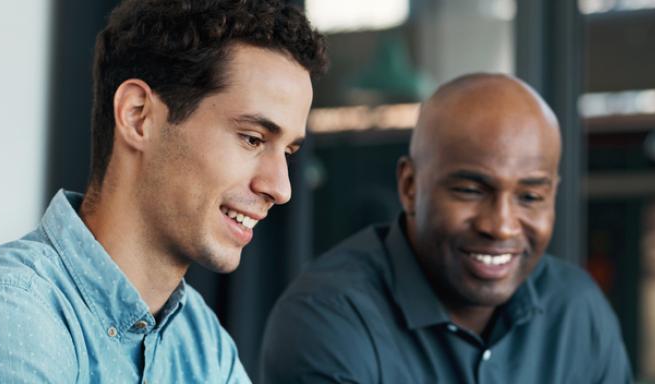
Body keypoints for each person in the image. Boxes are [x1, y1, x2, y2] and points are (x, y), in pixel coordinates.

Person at [0, 0, 326, 381]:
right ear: (138, 115)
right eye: (252, 139)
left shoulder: (202, 345)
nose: (280, 188)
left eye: (286, 151)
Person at [259, 73, 632, 383]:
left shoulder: (576, 309)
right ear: (409, 186)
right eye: (470, 190)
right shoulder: (328, 316)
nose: (501, 226)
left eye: (530, 197)